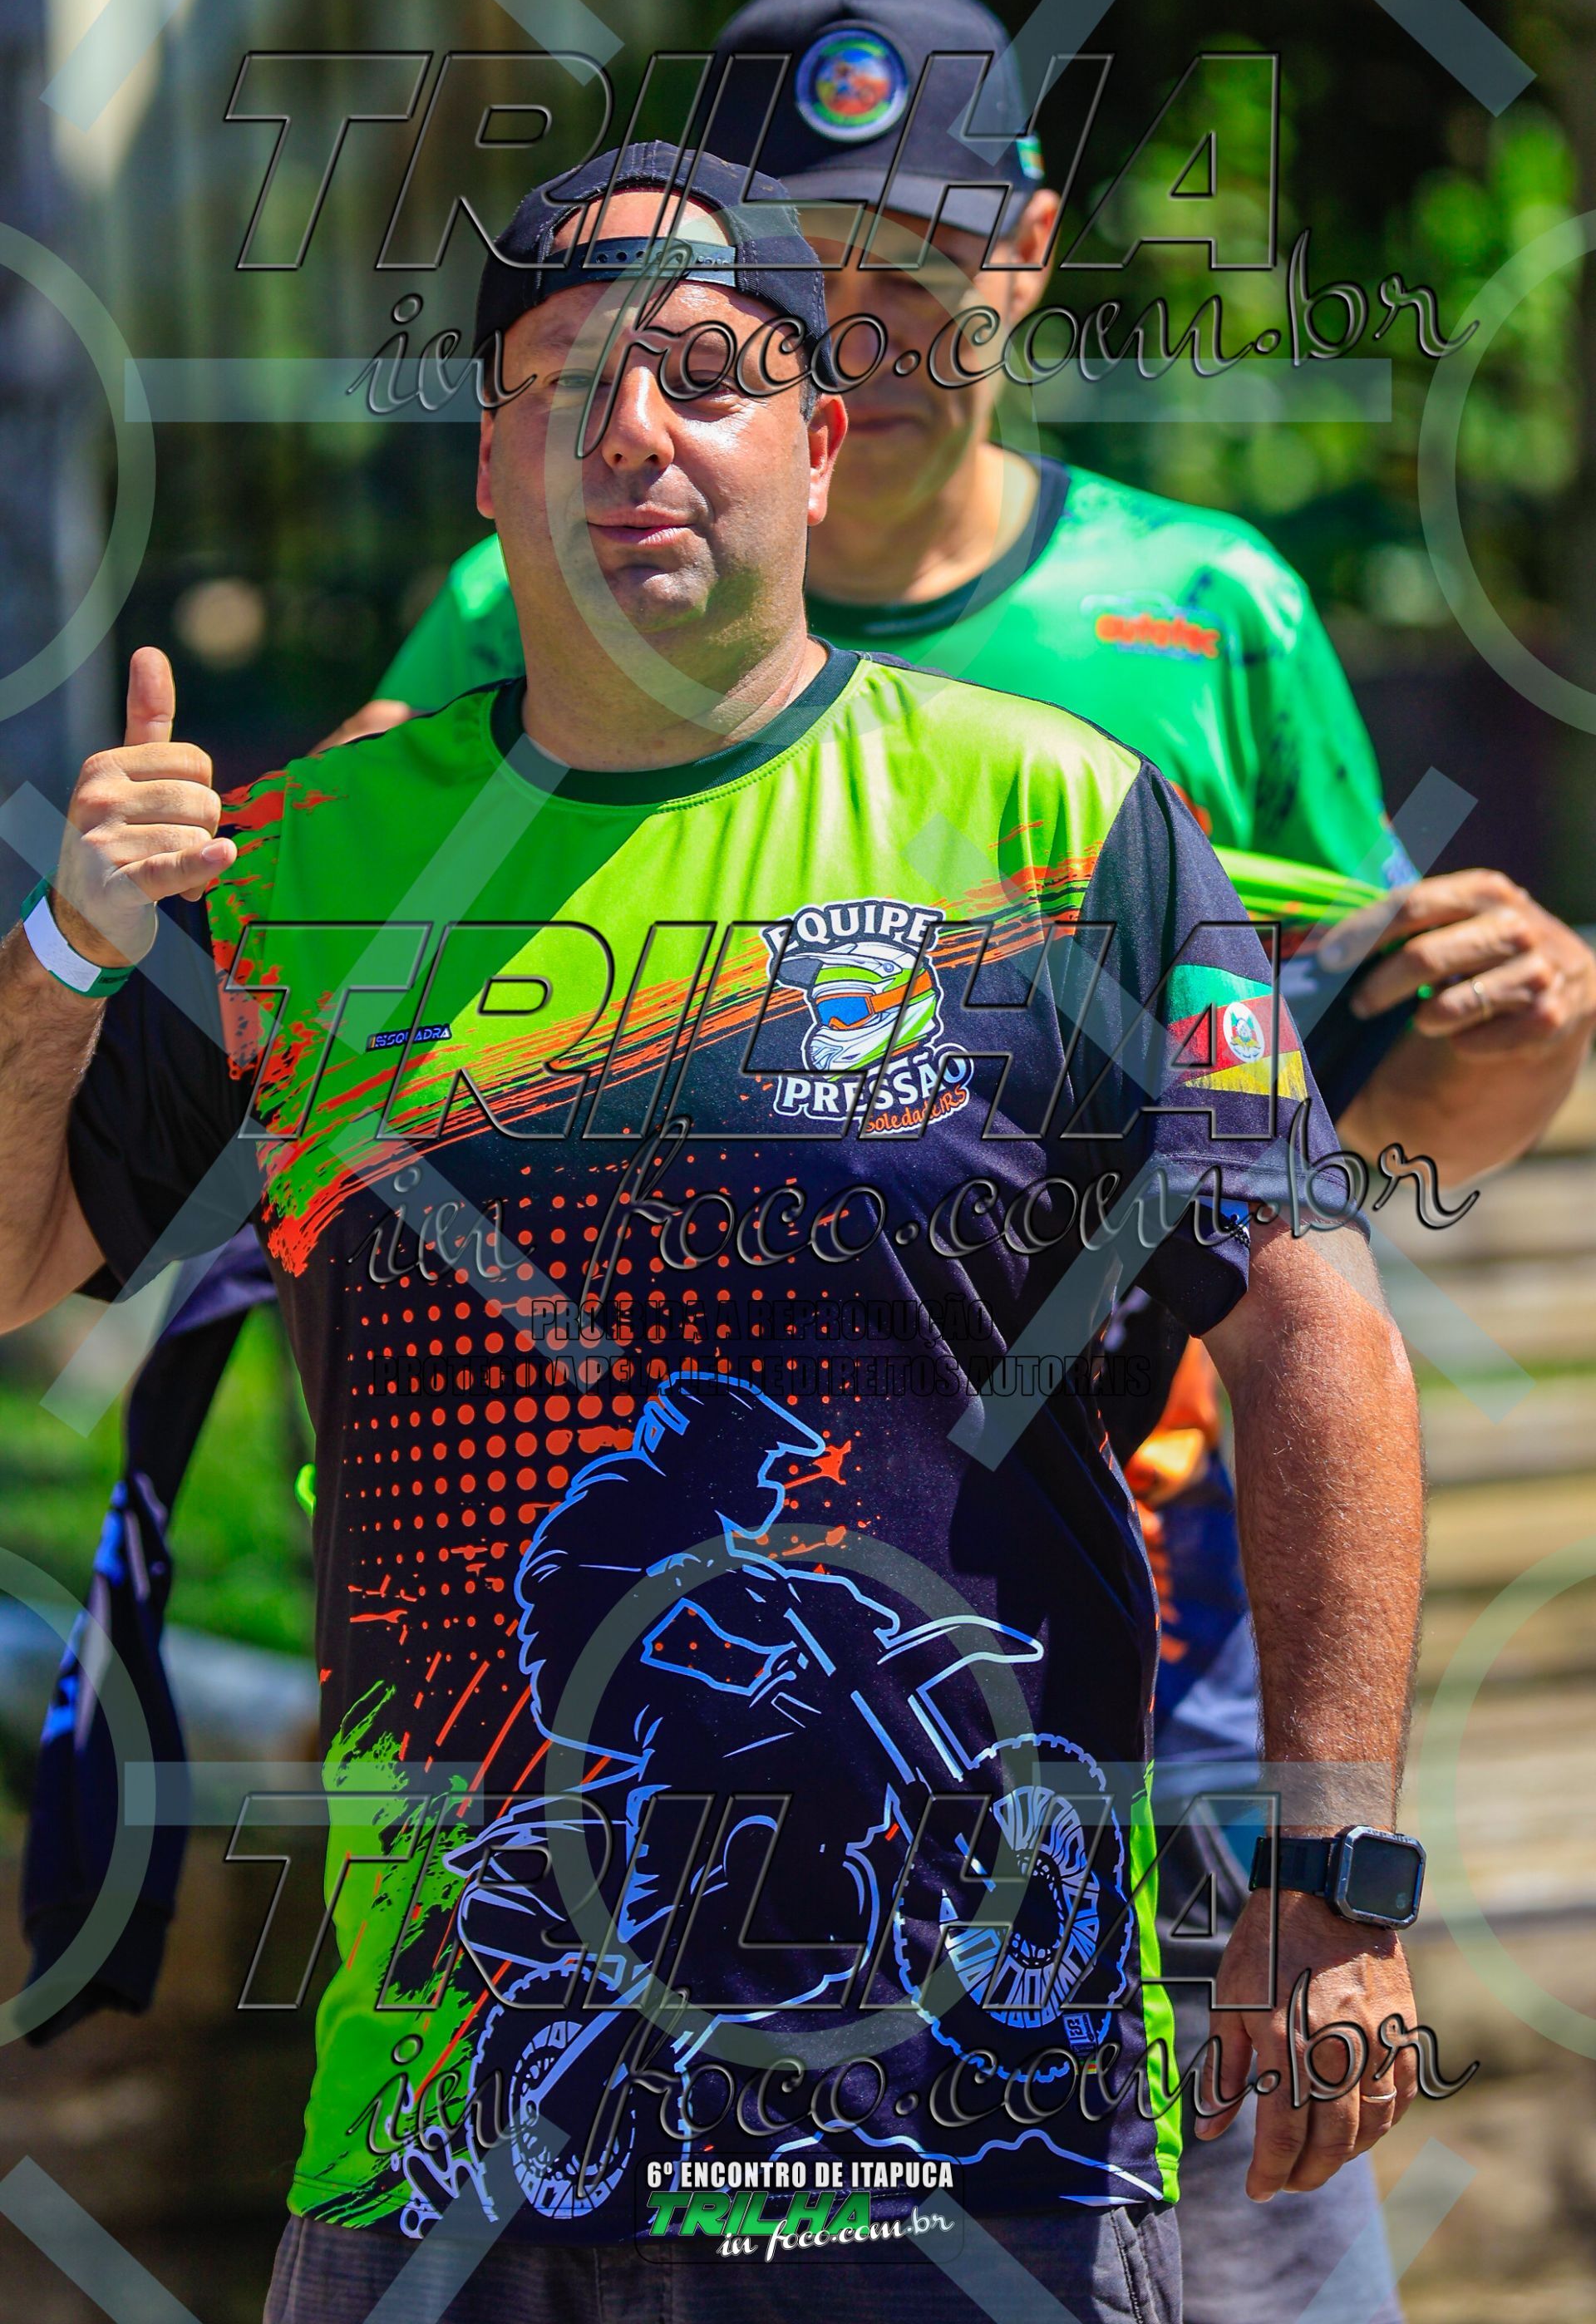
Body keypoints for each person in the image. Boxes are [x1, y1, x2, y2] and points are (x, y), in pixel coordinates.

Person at [0, 141, 1427, 2324]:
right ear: (491, 466)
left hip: (977, 2163)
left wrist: (1338, 1879)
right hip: (446, 2148)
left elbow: (1316, 1336)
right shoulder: (300, 880)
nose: (634, 434)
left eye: (706, 375)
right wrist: (63, 958)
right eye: (566, 386)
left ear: (818, 442)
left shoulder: (1059, 823)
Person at [323, 0, 1596, 2322]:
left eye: (925, 257)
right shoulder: (531, 588)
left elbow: (1352, 1158)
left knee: (1225, 2244)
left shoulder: (1203, 618)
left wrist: (1514, 1052)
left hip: (1177, 1620)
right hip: (757, 1638)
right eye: (818, 264)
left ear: (1027, 251)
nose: (878, 317)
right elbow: (366, 1028)